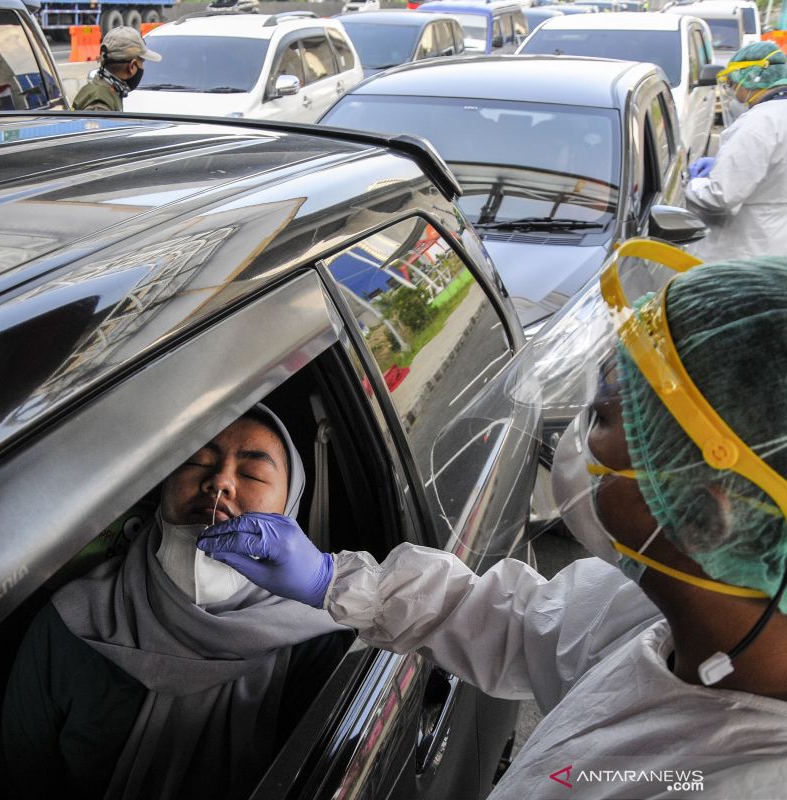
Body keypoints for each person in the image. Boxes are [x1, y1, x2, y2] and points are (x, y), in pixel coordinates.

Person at [201, 251, 787, 797]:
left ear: (708, 515)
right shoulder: (677, 622)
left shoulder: (740, 780)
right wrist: (336, 580)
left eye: (605, 415)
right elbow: (518, 623)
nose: (575, 442)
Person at [0, 405, 349, 799]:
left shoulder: (311, 642)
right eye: (196, 461)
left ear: (289, 508)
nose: (220, 482)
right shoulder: (72, 624)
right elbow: (16, 781)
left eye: (252, 473)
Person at [684, 41, 787, 261]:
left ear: (752, 77)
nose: (732, 90)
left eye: (733, 82)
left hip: (749, 249)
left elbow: (720, 197)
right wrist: (723, 162)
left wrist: (693, 184)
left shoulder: (759, 122)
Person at [71, 27, 161, 112]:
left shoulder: (104, 89)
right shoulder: (100, 103)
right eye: (142, 62)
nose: (142, 67)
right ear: (132, 66)